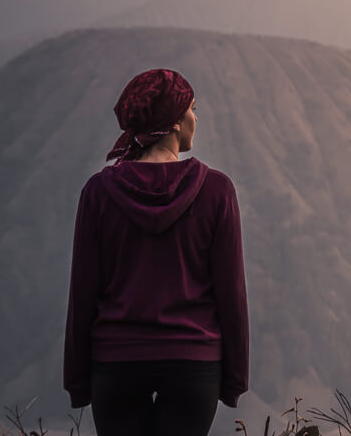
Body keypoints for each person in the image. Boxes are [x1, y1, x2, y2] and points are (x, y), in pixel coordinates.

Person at [63, 68, 249, 436]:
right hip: (194, 360)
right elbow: (231, 292)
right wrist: (234, 378)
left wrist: (79, 380)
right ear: (176, 122)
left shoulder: (99, 192)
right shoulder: (216, 191)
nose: (197, 118)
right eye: (193, 110)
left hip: (116, 361)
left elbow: (83, 291)